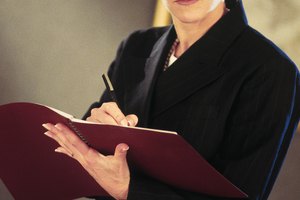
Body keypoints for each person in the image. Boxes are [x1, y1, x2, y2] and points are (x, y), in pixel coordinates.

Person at [42, 0, 300, 199]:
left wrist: (128, 190)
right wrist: (93, 129)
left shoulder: (271, 71)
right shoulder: (136, 46)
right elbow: (78, 159)